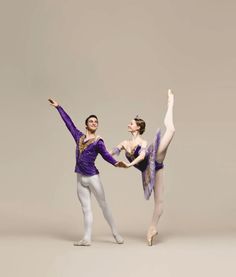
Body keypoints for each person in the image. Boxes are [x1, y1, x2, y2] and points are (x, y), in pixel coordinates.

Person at [48, 98, 124, 246]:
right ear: (86, 124)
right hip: (80, 178)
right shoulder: (78, 136)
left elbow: (106, 156)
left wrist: (116, 163)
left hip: (93, 177)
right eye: (91, 121)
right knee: (86, 209)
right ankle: (87, 238)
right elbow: (68, 123)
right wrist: (59, 107)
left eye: (96, 122)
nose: (94, 123)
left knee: (103, 205)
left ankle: (116, 233)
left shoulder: (98, 142)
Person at [111, 89, 175, 246]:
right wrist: (98, 148)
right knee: (159, 201)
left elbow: (142, 156)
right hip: (148, 171)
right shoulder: (125, 143)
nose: (128, 124)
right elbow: (112, 152)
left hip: (155, 160)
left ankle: (170, 103)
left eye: (131, 123)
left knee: (171, 130)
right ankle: (152, 228)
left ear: (137, 128)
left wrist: (129, 164)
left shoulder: (143, 143)